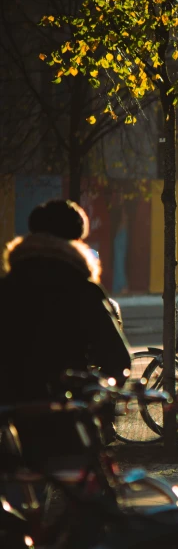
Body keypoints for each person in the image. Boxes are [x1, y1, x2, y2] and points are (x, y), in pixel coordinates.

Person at [0, 199, 131, 468]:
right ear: (75, 241)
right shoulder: (82, 290)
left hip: (10, 425)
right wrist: (102, 401)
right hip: (67, 422)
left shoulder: (6, 288)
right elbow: (117, 360)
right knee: (86, 506)